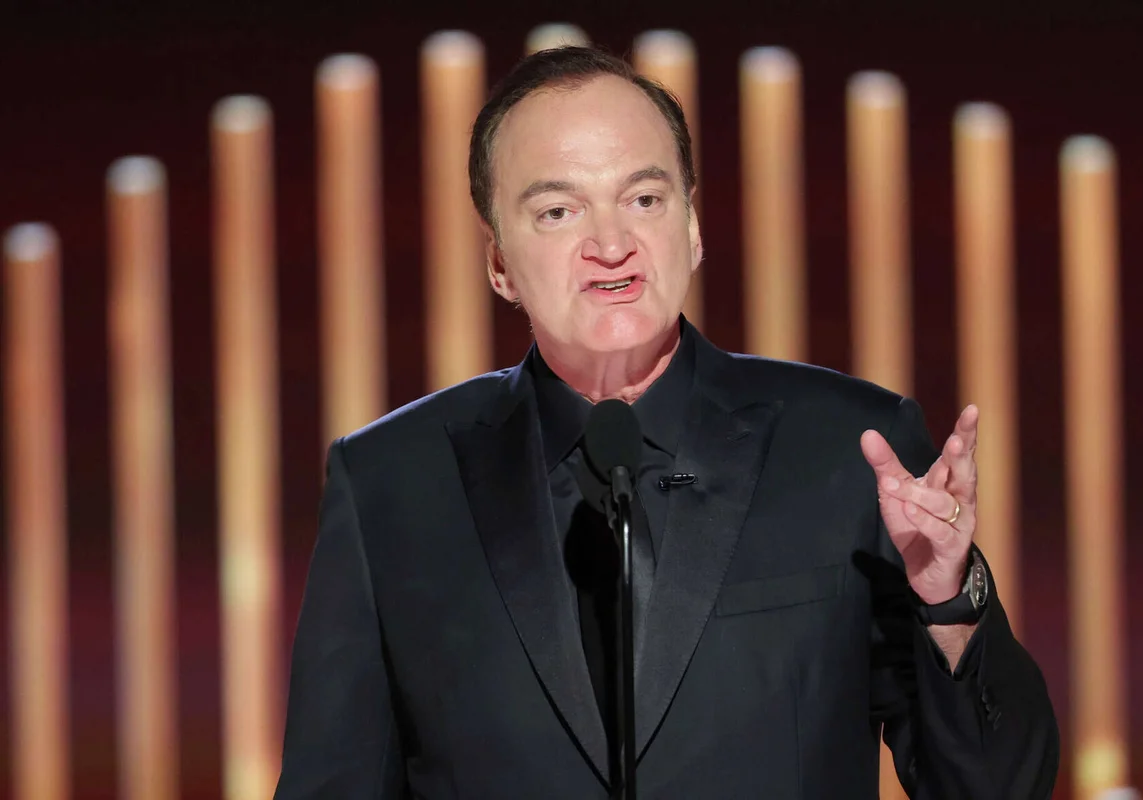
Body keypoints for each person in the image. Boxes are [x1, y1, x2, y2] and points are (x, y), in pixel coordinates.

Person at [274, 45, 1059, 798]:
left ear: (692, 228)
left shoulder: (849, 449)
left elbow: (997, 787)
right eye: (558, 211)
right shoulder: (392, 484)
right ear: (500, 264)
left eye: (644, 199)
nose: (611, 244)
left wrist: (949, 603)